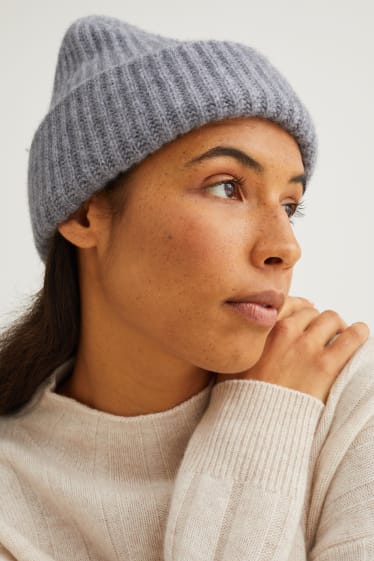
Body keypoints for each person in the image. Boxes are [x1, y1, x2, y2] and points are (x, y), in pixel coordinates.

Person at [0, 14, 372, 561]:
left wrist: (266, 414)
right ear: (84, 214)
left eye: (290, 205)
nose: (285, 247)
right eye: (227, 187)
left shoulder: (347, 402)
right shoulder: (12, 491)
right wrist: (259, 425)